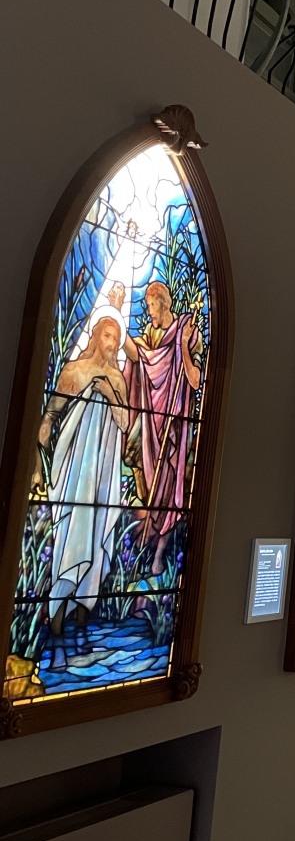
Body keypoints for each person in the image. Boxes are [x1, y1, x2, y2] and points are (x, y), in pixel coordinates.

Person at [35, 315, 131, 660]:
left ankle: (81, 619)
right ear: (96, 337)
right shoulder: (74, 371)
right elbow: (50, 416)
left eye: (116, 339)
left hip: (102, 476)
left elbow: (125, 423)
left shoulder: (117, 380)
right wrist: (37, 468)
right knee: (72, 537)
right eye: (107, 336)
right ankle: (57, 617)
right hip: (74, 471)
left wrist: (110, 395)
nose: (112, 344)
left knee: (96, 539)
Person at [123, 280, 201, 575]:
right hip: (150, 425)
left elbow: (195, 380)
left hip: (174, 428)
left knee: (170, 489)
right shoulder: (150, 336)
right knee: (145, 480)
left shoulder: (186, 331)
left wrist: (183, 346)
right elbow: (139, 358)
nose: (149, 311)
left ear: (164, 304)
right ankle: (143, 552)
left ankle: (158, 555)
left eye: (151, 305)